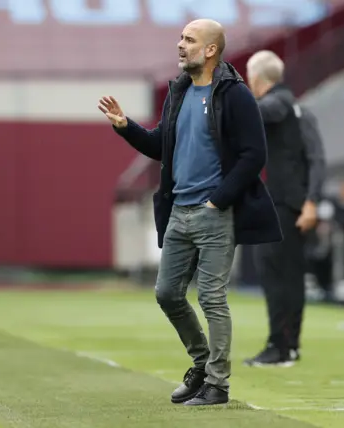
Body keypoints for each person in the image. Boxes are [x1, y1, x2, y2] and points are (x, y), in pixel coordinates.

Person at [98, 19, 282, 406]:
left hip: (215, 213)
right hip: (179, 211)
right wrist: (125, 126)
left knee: (212, 297)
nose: (180, 45)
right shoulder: (179, 92)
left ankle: (217, 385)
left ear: (211, 50)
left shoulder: (235, 95)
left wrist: (219, 199)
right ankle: (201, 364)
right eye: (181, 37)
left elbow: (254, 155)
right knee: (167, 294)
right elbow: (159, 145)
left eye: (189, 40)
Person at [244, 50, 326, 366]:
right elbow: (315, 160)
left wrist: (311, 202)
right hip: (290, 205)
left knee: (276, 275)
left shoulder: (278, 105)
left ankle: (280, 346)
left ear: (256, 78)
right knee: (288, 277)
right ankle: (288, 346)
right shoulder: (300, 111)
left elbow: (315, 160)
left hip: (283, 205)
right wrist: (311, 201)